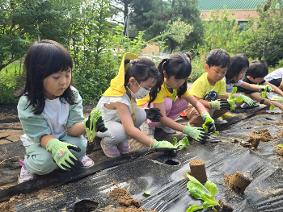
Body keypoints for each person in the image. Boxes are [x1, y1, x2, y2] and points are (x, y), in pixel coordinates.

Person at [17, 40, 105, 183]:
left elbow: (72, 129)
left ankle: (73, 156)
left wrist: (89, 124)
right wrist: (54, 146)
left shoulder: (72, 95)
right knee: (45, 162)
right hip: (41, 141)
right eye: (56, 77)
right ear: (38, 76)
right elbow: (42, 136)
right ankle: (28, 165)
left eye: (67, 73)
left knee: (81, 147)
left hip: (64, 136)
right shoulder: (28, 103)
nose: (64, 82)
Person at [96, 53, 175, 158]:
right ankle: (107, 143)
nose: (148, 91)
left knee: (141, 114)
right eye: (147, 88)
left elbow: (132, 111)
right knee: (122, 132)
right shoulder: (119, 99)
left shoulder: (127, 89)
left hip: (115, 120)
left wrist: (146, 112)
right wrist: (155, 143)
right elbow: (130, 129)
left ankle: (119, 138)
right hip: (100, 125)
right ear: (132, 81)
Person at [137, 53, 211, 142]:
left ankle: (163, 126)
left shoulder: (178, 86)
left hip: (161, 116)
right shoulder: (159, 87)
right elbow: (162, 117)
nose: (180, 83)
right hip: (146, 115)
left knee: (184, 101)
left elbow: (196, 102)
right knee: (167, 102)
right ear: (165, 74)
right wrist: (187, 130)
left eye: (183, 79)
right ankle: (150, 127)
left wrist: (206, 115)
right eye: (177, 80)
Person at [185, 49, 232, 127]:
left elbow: (221, 97)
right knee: (205, 111)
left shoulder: (221, 81)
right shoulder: (202, 81)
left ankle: (212, 119)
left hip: (210, 107)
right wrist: (210, 104)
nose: (220, 75)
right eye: (217, 71)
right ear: (207, 67)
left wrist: (228, 101)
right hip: (193, 108)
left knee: (225, 105)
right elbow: (194, 100)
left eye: (223, 72)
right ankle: (193, 125)